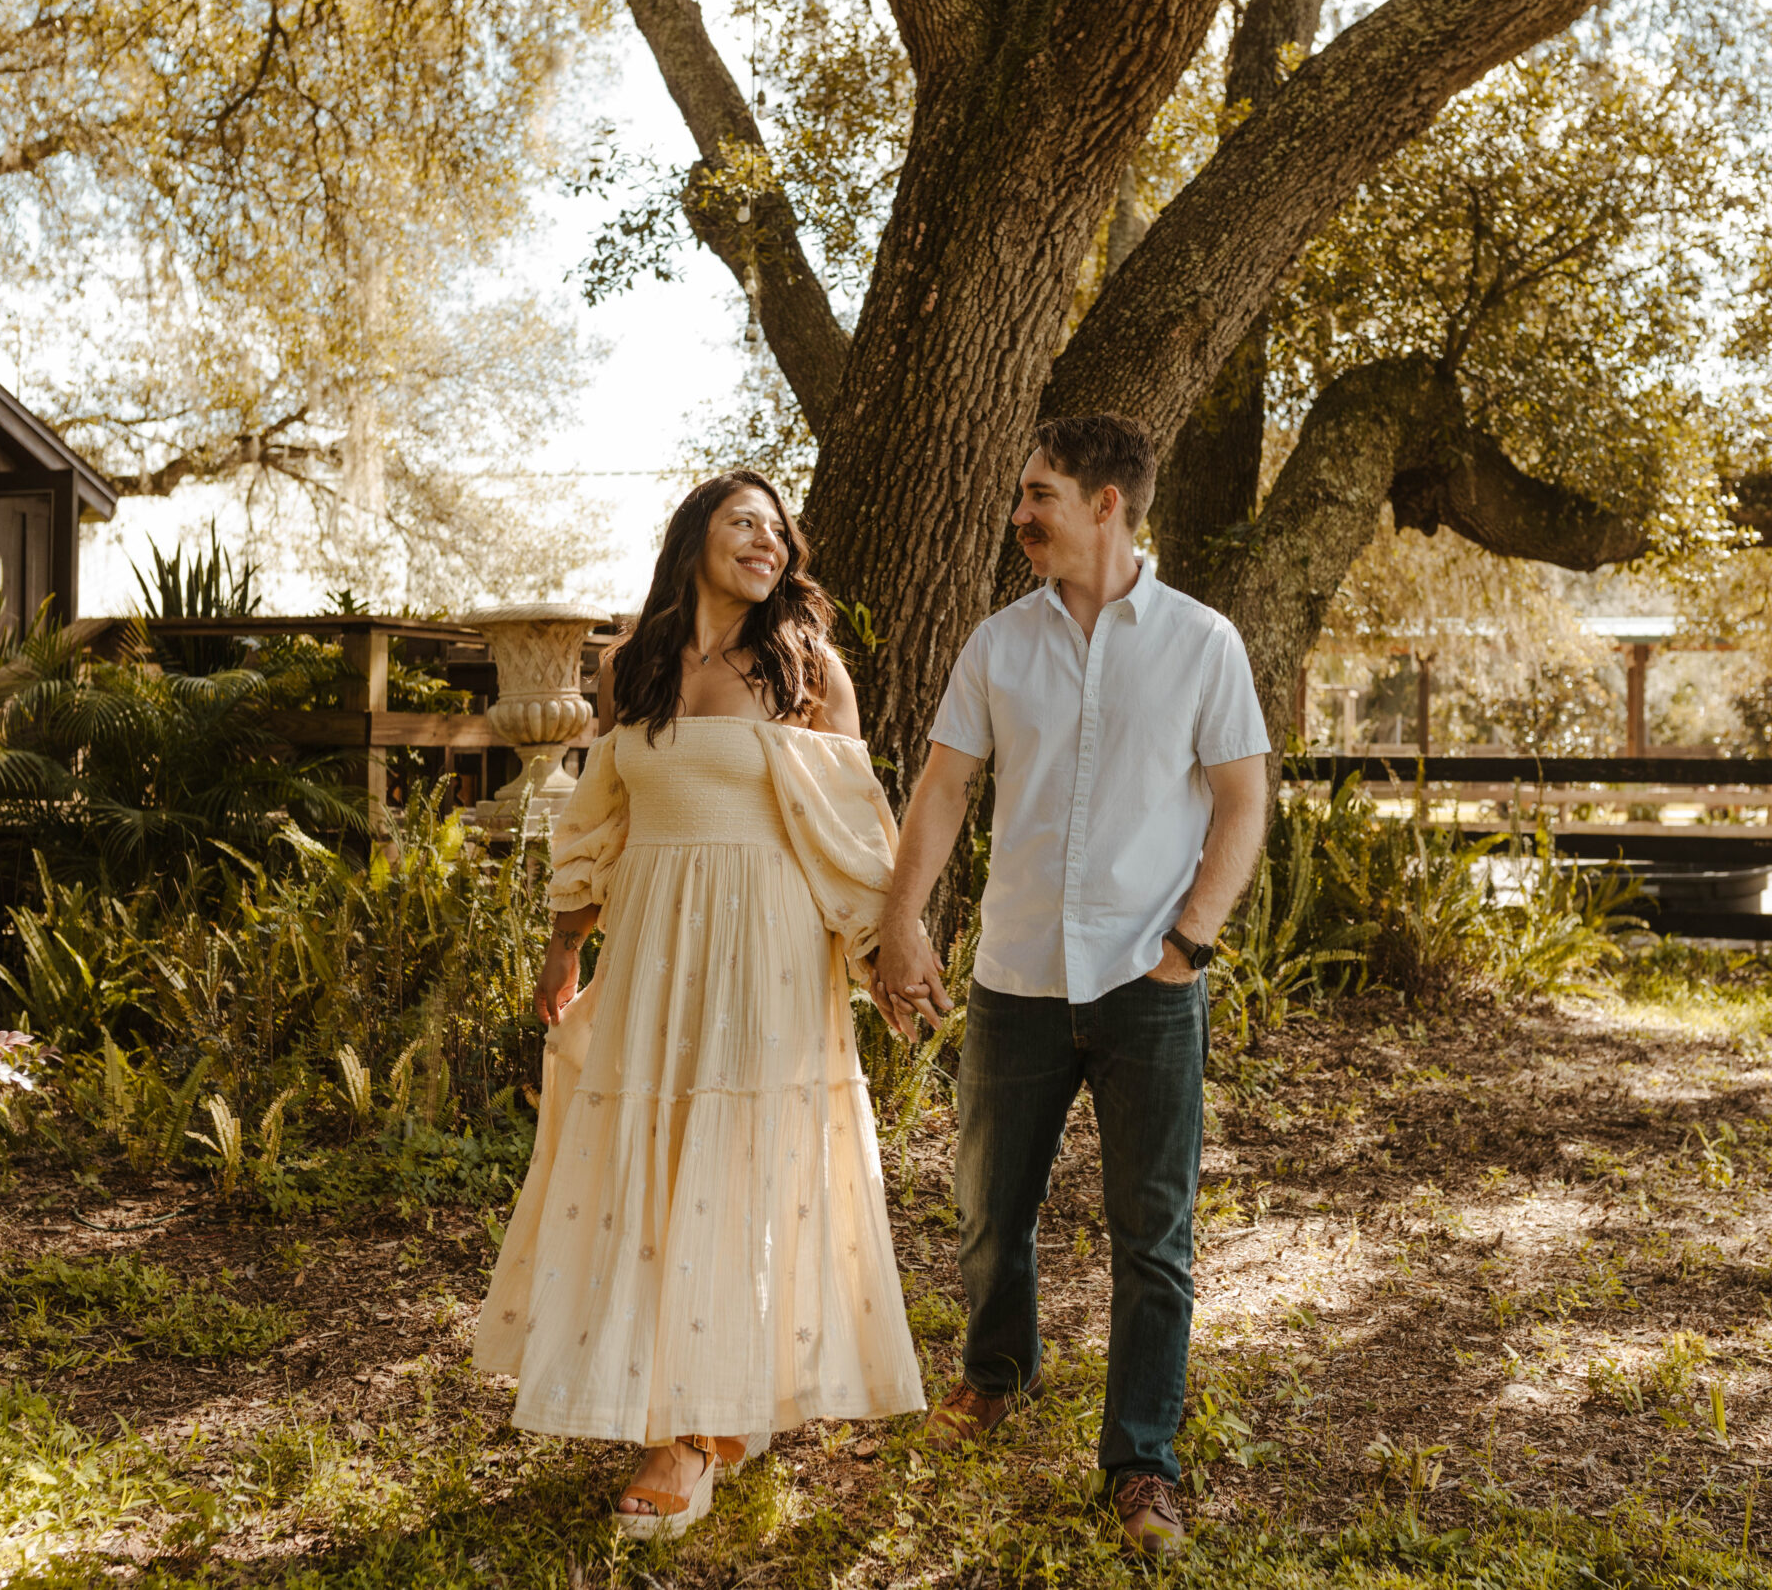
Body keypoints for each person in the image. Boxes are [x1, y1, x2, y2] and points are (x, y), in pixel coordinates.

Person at [474, 471, 924, 1539]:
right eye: (742, 524)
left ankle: (691, 1431)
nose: (765, 542)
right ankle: (691, 1390)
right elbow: (597, 817)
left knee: (742, 1162)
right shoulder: (634, 668)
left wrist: (886, 954)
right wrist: (562, 945)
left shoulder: (807, 669)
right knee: (665, 1160)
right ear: (696, 541)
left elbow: (855, 831)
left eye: (778, 529)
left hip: (765, 948)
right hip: (655, 950)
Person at [874, 414, 1271, 1558]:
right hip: (1015, 975)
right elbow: (944, 790)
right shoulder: (999, 644)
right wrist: (904, 921)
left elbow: (1241, 803)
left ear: (1107, 504)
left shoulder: (1203, 643)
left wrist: (1188, 942)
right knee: (992, 1210)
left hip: (1149, 980)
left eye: (1039, 493)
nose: (1020, 513)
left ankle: (1141, 1464)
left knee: (1153, 1234)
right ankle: (994, 1378)